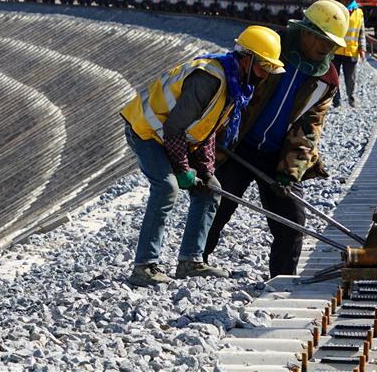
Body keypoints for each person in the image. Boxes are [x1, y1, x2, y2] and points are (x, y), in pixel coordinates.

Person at [121, 26, 285, 287]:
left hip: (170, 134)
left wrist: (206, 172)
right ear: (247, 58)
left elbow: (205, 131)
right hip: (147, 130)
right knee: (167, 187)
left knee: (211, 189)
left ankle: (190, 261)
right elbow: (175, 127)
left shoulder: (235, 85)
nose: (265, 74)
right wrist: (183, 169)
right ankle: (144, 266)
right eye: (263, 66)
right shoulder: (209, 78)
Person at [203, 0, 348, 277]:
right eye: (322, 40)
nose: (325, 49)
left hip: (277, 157)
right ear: (307, 31)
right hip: (238, 146)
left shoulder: (326, 79)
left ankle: (283, 280)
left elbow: (310, 128)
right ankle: (194, 261)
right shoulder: (270, 49)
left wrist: (290, 173)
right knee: (216, 207)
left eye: (331, 45)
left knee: (292, 223)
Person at [331, 0, 366, 107]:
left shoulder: (359, 13)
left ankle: (351, 99)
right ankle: (337, 101)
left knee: (350, 79)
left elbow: (361, 33)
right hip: (335, 51)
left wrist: (362, 48)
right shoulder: (334, 12)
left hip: (351, 52)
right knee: (335, 78)